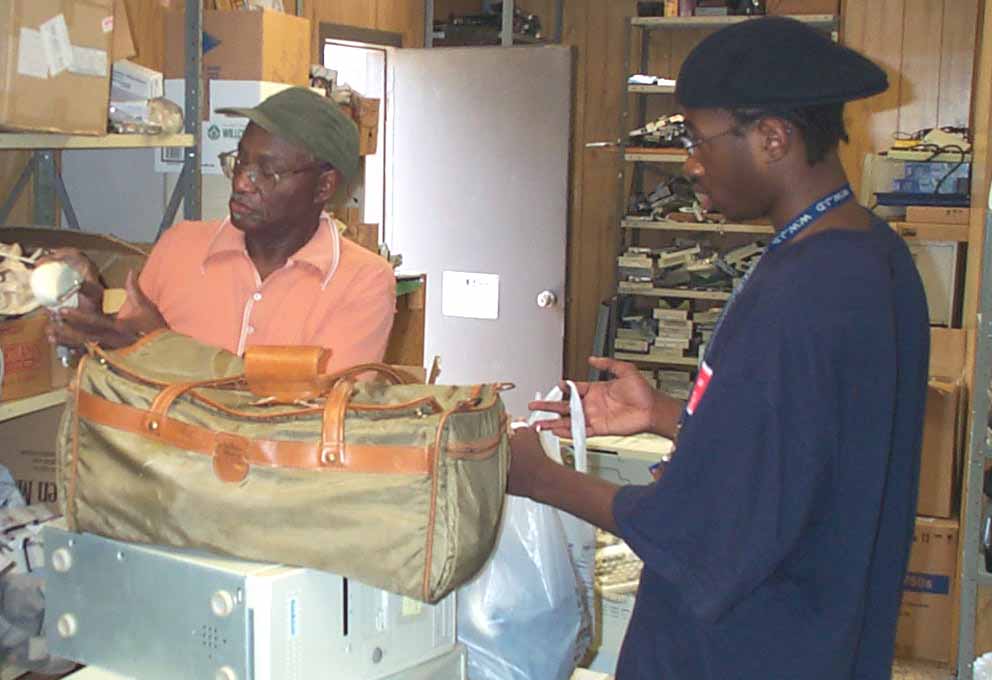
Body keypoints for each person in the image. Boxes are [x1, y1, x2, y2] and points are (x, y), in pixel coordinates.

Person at [509, 17, 930, 680]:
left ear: (772, 138)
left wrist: (537, 477)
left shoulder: (802, 290)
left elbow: (701, 529)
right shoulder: (871, 256)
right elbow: (804, 449)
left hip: (747, 646)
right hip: (823, 638)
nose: (691, 162)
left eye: (699, 139)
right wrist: (667, 415)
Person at [46, 87, 396, 370]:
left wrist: (160, 348)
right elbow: (126, 367)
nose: (242, 181)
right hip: (155, 458)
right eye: (240, 160)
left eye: (268, 170)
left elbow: (306, 415)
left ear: (323, 187)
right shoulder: (179, 247)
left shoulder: (363, 281)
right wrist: (94, 327)